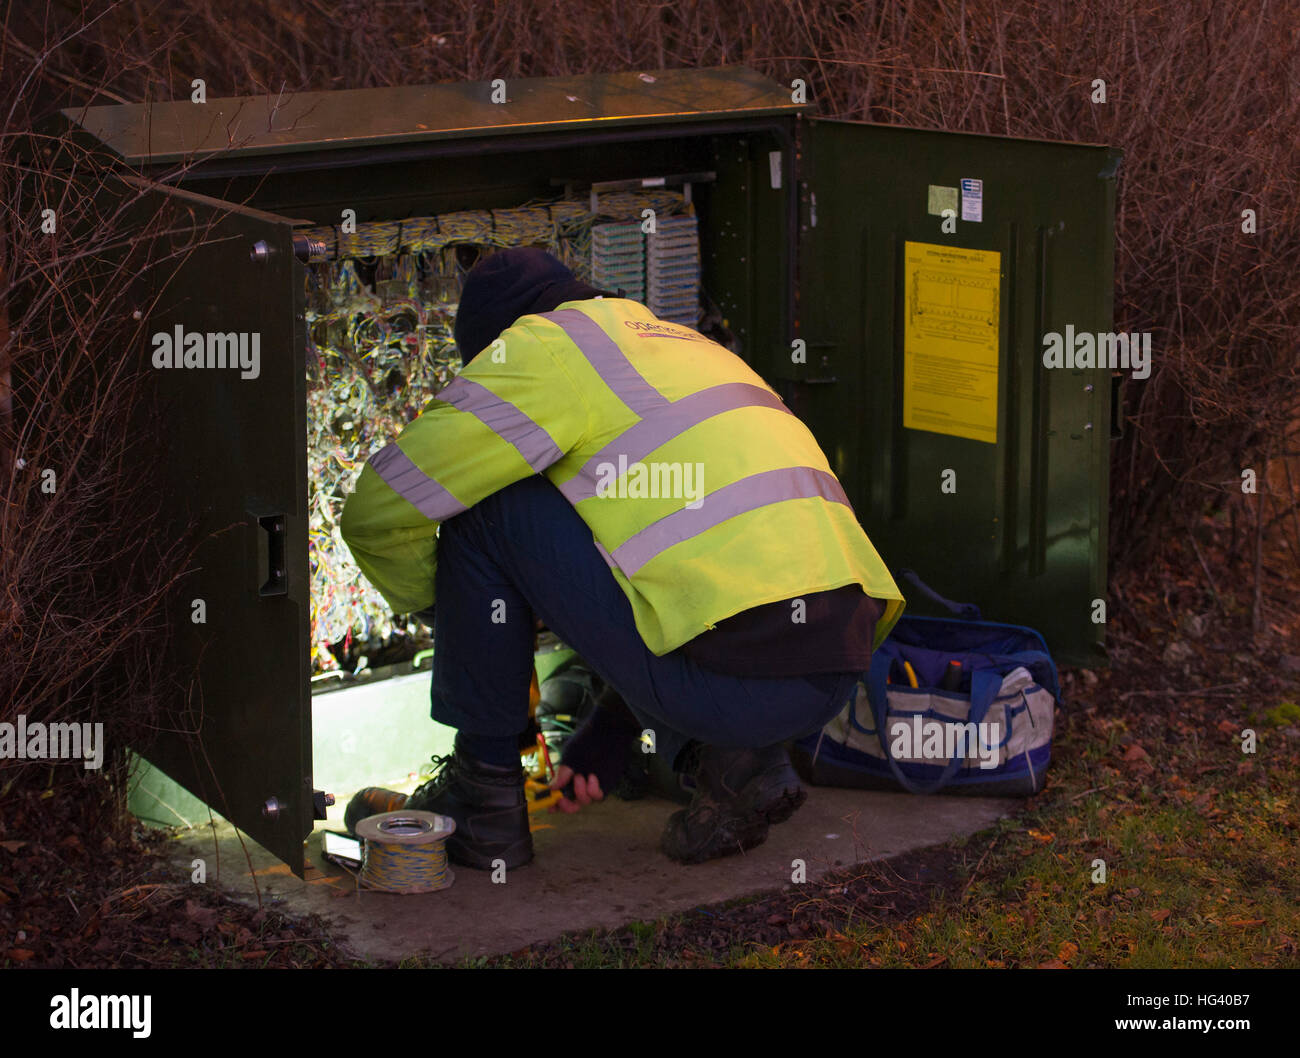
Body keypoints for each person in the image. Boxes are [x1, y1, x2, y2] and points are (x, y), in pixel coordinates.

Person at [340, 247, 904, 868]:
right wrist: (611, 730)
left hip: (738, 683)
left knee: (484, 507)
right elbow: (689, 572)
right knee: (610, 515)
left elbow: (380, 509)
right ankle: (739, 760)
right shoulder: (681, 344)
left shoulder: (535, 351)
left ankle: (484, 798)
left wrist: (455, 616)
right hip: (833, 678)